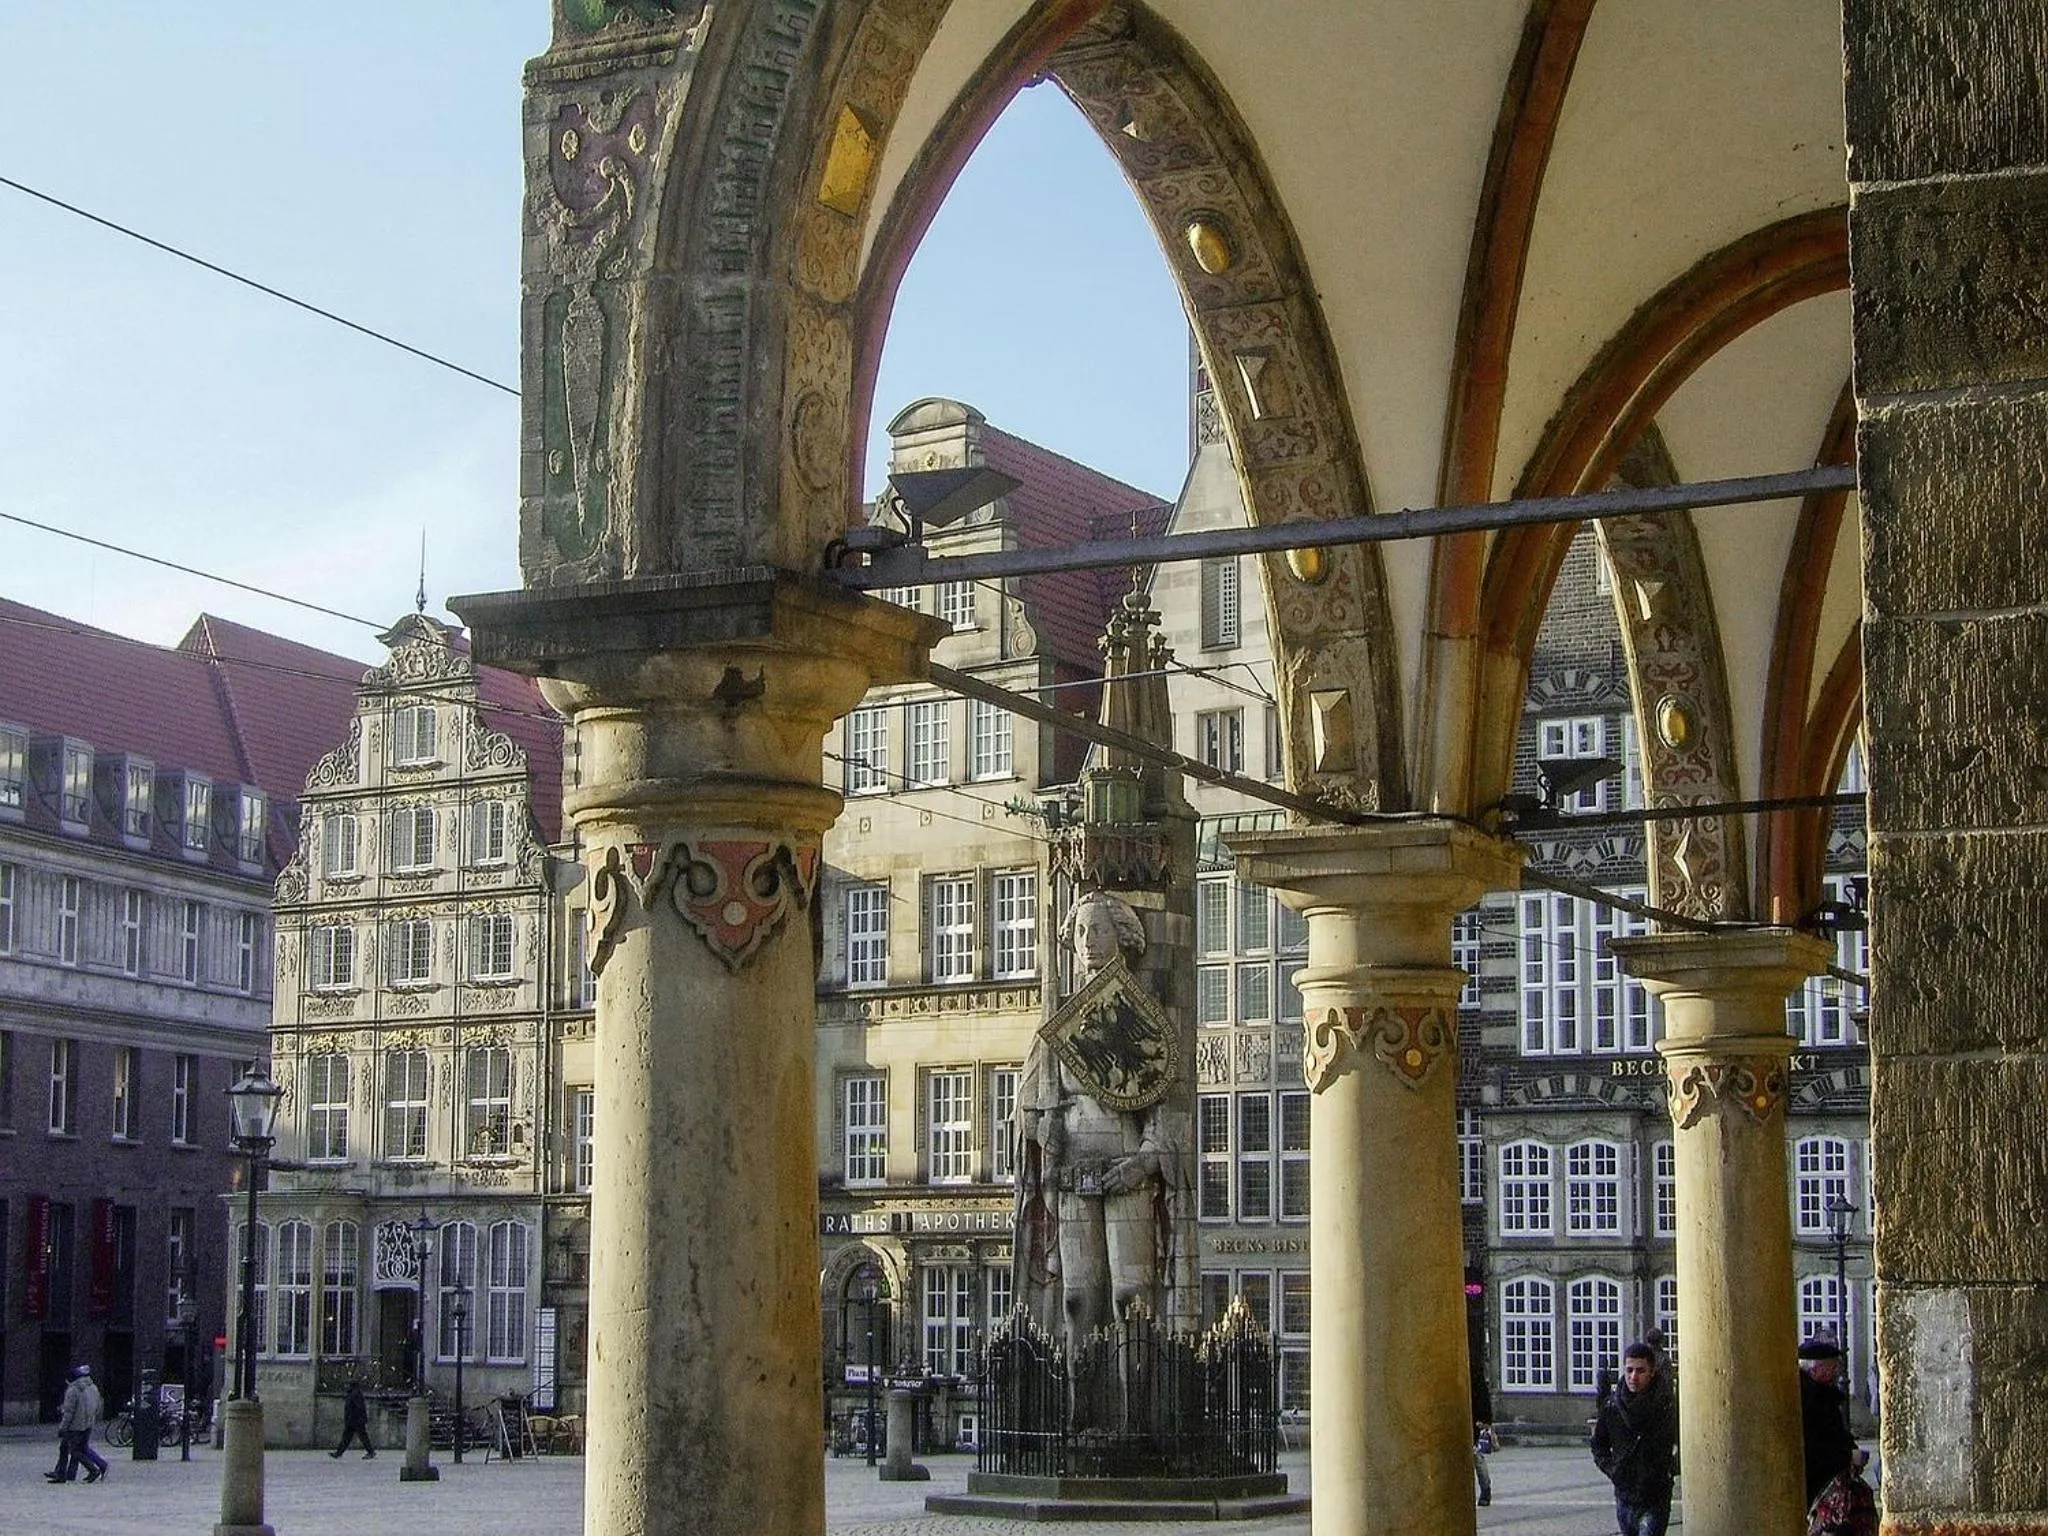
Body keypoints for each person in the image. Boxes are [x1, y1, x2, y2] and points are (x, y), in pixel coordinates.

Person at [1015, 889, 1193, 1362]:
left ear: (1123, 936)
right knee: (1078, 1300)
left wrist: (1144, 1161)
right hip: (1071, 1174)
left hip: (1127, 1171)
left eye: (1098, 929)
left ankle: (1136, 1413)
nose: (1087, 940)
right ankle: (1080, 1409)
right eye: (1078, 932)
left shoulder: (1138, 1011)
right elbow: (1029, 1103)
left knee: (1130, 1297)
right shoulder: (1062, 1023)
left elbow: (1164, 1106)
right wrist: (1040, 1129)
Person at [1591, 1342, 1679, 1536]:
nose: (1633, 1377)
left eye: (1640, 1371)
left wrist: (1669, 1469)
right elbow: (1598, 1445)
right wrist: (1613, 1469)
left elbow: (1685, 1442)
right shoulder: (1612, 1406)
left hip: (1655, 1495)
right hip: (1625, 1493)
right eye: (1629, 1370)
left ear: (1652, 1372)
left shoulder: (1666, 1407)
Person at [1799, 1338, 1868, 1519]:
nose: (1836, 1372)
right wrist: (1847, 1456)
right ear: (1816, 1369)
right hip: (1819, 1485)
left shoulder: (1819, 1394)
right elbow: (1814, 1444)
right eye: (1832, 1367)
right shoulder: (1809, 1399)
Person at [46, 1364, 107, 1484]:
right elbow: (97, 1406)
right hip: (87, 1423)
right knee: (70, 1448)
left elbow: (69, 1412)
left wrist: (62, 1427)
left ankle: (92, 1469)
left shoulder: (73, 1390)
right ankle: (64, 1473)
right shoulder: (92, 1387)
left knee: (73, 1450)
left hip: (74, 1426)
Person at [1471, 1356, 1495, 1508]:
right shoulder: (1475, 1370)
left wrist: (1485, 1419)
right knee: (1476, 1457)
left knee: (1476, 1457)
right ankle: (1485, 1491)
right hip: (1470, 1418)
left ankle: (1485, 1490)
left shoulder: (1474, 1371)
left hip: (1472, 1418)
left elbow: (1483, 1396)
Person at [331, 1379, 375, 1459]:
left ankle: (370, 1452)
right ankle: (338, 1452)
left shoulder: (355, 1394)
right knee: (348, 1437)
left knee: (359, 1437)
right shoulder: (354, 1393)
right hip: (354, 1420)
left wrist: (353, 1417)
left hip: (355, 1420)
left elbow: (358, 1407)